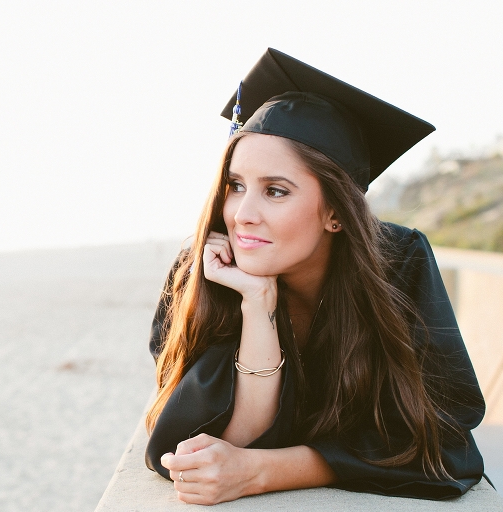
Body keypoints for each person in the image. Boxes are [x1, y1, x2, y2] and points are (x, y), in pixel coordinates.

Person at [144, 48, 486, 505]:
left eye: (275, 191)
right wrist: (257, 303)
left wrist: (263, 473)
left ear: (335, 214)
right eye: (236, 185)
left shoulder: (398, 264)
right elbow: (197, 446)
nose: (242, 214)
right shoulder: (203, 273)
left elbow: (444, 440)